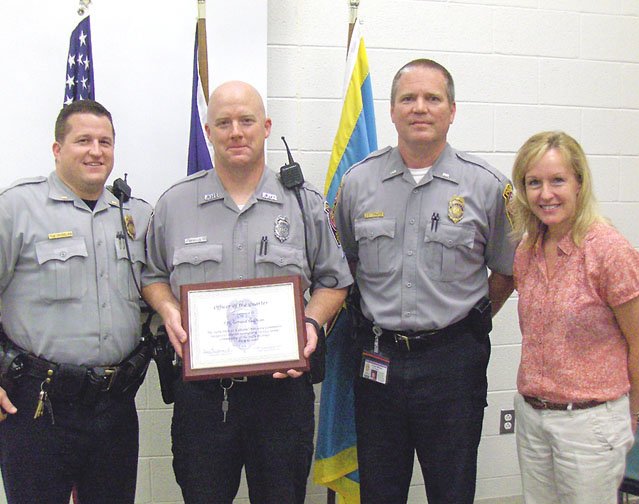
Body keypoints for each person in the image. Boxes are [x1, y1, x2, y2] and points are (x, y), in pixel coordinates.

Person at [142, 80, 352, 503]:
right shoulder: (174, 205)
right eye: (223, 122)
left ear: (266, 126)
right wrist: (167, 310)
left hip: (281, 395)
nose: (235, 132)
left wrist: (310, 322)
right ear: (208, 131)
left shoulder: (305, 203)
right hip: (202, 398)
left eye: (246, 120)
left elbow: (335, 281)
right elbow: (152, 275)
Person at [335, 58, 516, 503]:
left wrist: (463, 322)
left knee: (452, 490)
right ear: (392, 110)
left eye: (432, 98)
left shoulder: (488, 186)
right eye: (408, 98)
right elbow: (343, 266)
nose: (420, 108)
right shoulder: (358, 183)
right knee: (380, 490)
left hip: (454, 364)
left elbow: (508, 270)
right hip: (379, 359)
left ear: (451, 110)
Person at [0, 99, 153, 503]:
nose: (95, 151)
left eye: (105, 141)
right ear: (57, 149)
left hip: (115, 405)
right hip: (38, 406)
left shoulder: (134, 215)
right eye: (83, 140)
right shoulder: (16, 208)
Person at [510, 131, 639, 504]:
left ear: (579, 182)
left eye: (557, 180)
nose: (546, 194)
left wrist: (627, 417)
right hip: (532, 417)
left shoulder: (609, 251)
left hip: (590, 425)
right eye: (534, 183)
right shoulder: (527, 250)